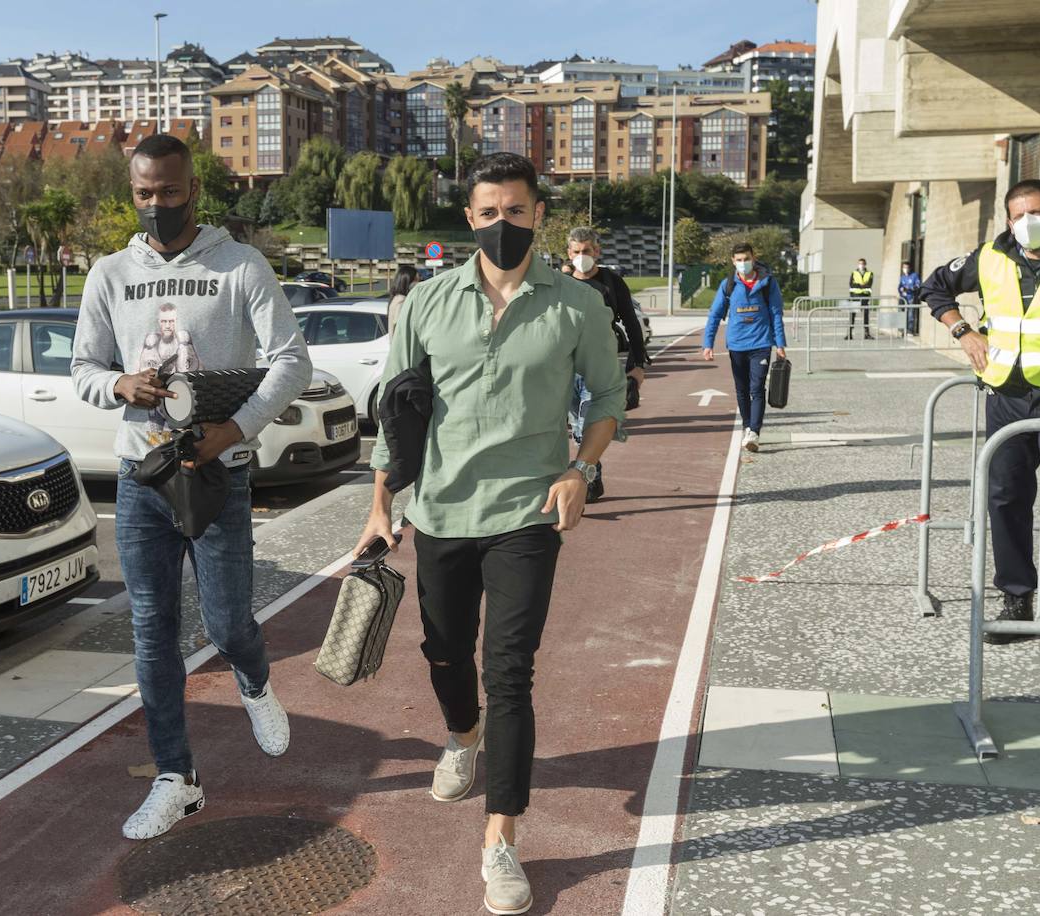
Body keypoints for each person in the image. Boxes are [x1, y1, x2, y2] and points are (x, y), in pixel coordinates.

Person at [353, 152, 625, 916]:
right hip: (439, 510)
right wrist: (380, 504)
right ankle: (460, 735)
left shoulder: (577, 306)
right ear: (467, 218)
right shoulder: (427, 303)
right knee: (444, 652)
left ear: (539, 213)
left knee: (509, 670)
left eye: (515, 210)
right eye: (487, 212)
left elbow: (606, 396)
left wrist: (582, 467)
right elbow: (395, 413)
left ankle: (500, 839)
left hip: (527, 516)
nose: (501, 224)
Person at [71, 134, 312, 839]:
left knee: (228, 621)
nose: (156, 206)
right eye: (144, 194)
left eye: (169, 193)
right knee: (152, 631)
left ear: (193, 190)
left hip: (218, 473)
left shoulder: (239, 264)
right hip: (140, 474)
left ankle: (255, 680)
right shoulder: (110, 273)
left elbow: (291, 362)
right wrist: (120, 382)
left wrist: (233, 430)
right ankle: (177, 776)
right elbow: (84, 368)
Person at [922, 178, 1040, 671]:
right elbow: (934, 286)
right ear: (1007, 219)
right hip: (1007, 397)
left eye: (1036, 212)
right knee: (1005, 499)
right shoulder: (989, 256)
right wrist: (962, 329)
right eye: (1017, 215)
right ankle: (1016, 599)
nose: (1027, 222)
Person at [565, 226, 649, 502]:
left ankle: (585, 480)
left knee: (583, 429)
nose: (581, 256)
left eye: (586, 251)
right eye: (576, 252)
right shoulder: (560, 284)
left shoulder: (610, 283)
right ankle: (594, 477)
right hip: (565, 368)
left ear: (597, 252)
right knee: (576, 429)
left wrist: (638, 365)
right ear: (568, 253)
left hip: (599, 366)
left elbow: (631, 323)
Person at [701, 242, 787, 453]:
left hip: (761, 344)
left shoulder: (768, 283)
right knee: (742, 389)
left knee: (756, 388)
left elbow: (776, 313)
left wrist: (780, 343)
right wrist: (707, 343)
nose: (743, 263)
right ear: (733, 261)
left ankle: (754, 432)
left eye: (746, 259)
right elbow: (714, 314)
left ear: (753, 257)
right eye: (738, 260)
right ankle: (747, 425)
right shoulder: (728, 285)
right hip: (737, 345)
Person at [847, 257, 874, 340]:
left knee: (866, 315)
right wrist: (862, 285)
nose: (861, 265)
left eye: (862, 264)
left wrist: (858, 284)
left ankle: (867, 333)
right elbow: (851, 284)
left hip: (865, 296)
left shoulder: (870, 273)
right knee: (852, 315)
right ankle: (849, 334)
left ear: (865, 264)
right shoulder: (854, 273)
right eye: (859, 263)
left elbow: (869, 284)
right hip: (855, 296)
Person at [387, 264, 420, 329]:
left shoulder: (396, 298)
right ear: (407, 281)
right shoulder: (402, 301)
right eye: (416, 280)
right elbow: (399, 326)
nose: (419, 284)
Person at [898, 260, 923, 336]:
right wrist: (901, 289)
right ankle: (902, 330)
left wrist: (909, 288)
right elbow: (900, 286)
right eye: (904, 267)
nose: (905, 269)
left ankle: (910, 330)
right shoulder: (902, 277)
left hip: (911, 297)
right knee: (901, 313)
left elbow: (918, 285)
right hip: (903, 297)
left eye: (907, 267)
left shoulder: (914, 275)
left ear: (910, 268)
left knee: (910, 314)